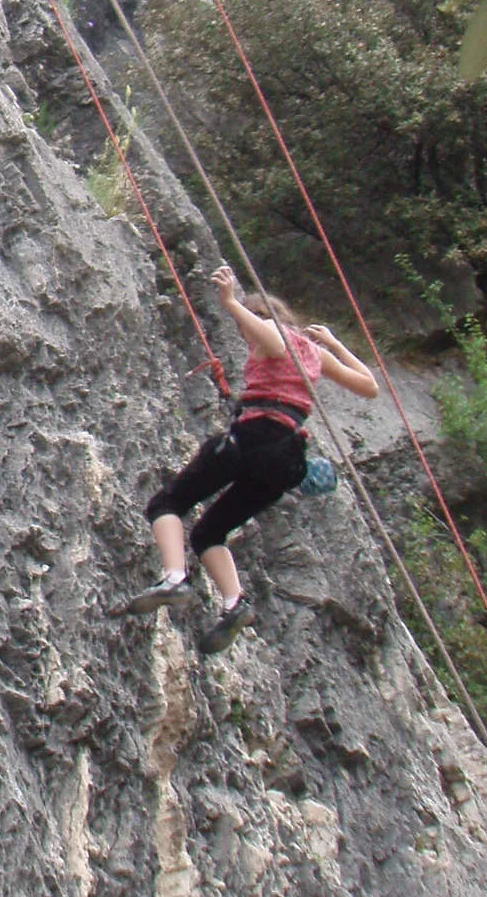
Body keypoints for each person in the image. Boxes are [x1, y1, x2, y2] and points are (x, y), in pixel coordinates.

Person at [126, 265, 377, 651]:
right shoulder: (314, 354)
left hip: (256, 439)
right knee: (209, 533)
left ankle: (175, 578)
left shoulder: (275, 335)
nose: (245, 338)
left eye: (246, 330)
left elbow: (273, 342)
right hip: (286, 460)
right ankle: (234, 604)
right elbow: (369, 387)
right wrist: (336, 345)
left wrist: (229, 303)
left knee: (167, 502)